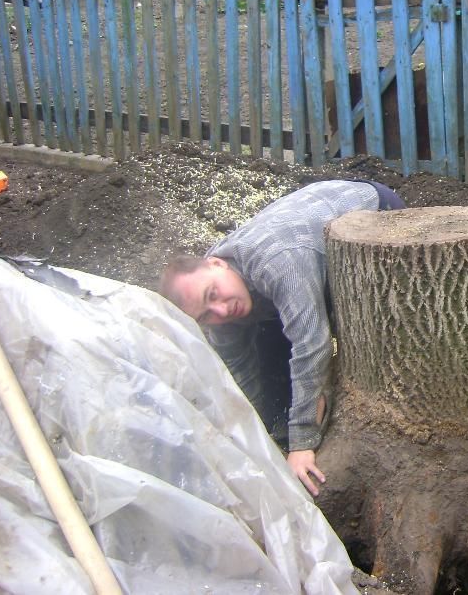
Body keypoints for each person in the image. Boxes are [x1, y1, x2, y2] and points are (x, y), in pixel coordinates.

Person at [159, 179, 405, 497]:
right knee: (262, 338)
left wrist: (302, 443)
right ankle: (279, 428)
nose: (220, 311)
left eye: (214, 294)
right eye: (205, 315)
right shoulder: (212, 291)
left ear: (217, 264)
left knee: (339, 323)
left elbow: (312, 344)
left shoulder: (277, 261)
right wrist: (247, 438)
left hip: (373, 211)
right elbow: (238, 371)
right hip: (305, 245)